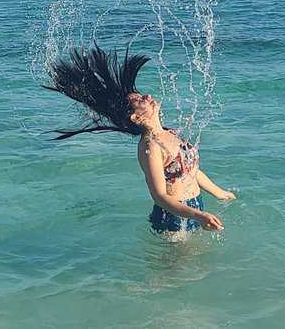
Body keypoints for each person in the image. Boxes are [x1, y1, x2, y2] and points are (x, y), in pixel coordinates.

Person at [45, 45, 234, 233]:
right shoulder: (150, 146)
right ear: (135, 118)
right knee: (178, 264)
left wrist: (220, 193)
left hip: (194, 207)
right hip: (173, 217)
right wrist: (198, 216)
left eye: (141, 95)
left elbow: (192, 172)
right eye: (139, 100)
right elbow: (159, 196)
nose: (147, 96)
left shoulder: (171, 133)